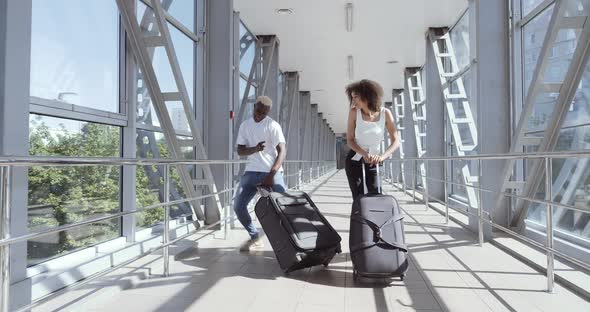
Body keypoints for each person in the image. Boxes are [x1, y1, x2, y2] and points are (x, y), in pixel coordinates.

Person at [234, 95, 287, 251]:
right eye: (258, 111)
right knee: (238, 206)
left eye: (263, 113)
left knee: (283, 208)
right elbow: (240, 151)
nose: (259, 115)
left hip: (270, 172)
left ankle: (290, 241)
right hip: (251, 172)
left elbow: (282, 151)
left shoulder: (273, 126)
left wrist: (271, 175)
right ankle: (255, 238)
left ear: (268, 112)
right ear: (254, 106)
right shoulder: (245, 125)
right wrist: (255, 149)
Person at [345, 79, 400, 200]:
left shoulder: (385, 113)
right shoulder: (354, 113)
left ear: (367, 95)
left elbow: (396, 141)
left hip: (375, 160)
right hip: (355, 158)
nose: (353, 101)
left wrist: (382, 157)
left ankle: (374, 219)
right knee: (358, 197)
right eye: (352, 97)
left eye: (356, 97)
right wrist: (364, 153)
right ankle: (358, 219)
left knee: (376, 194)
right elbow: (349, 139)